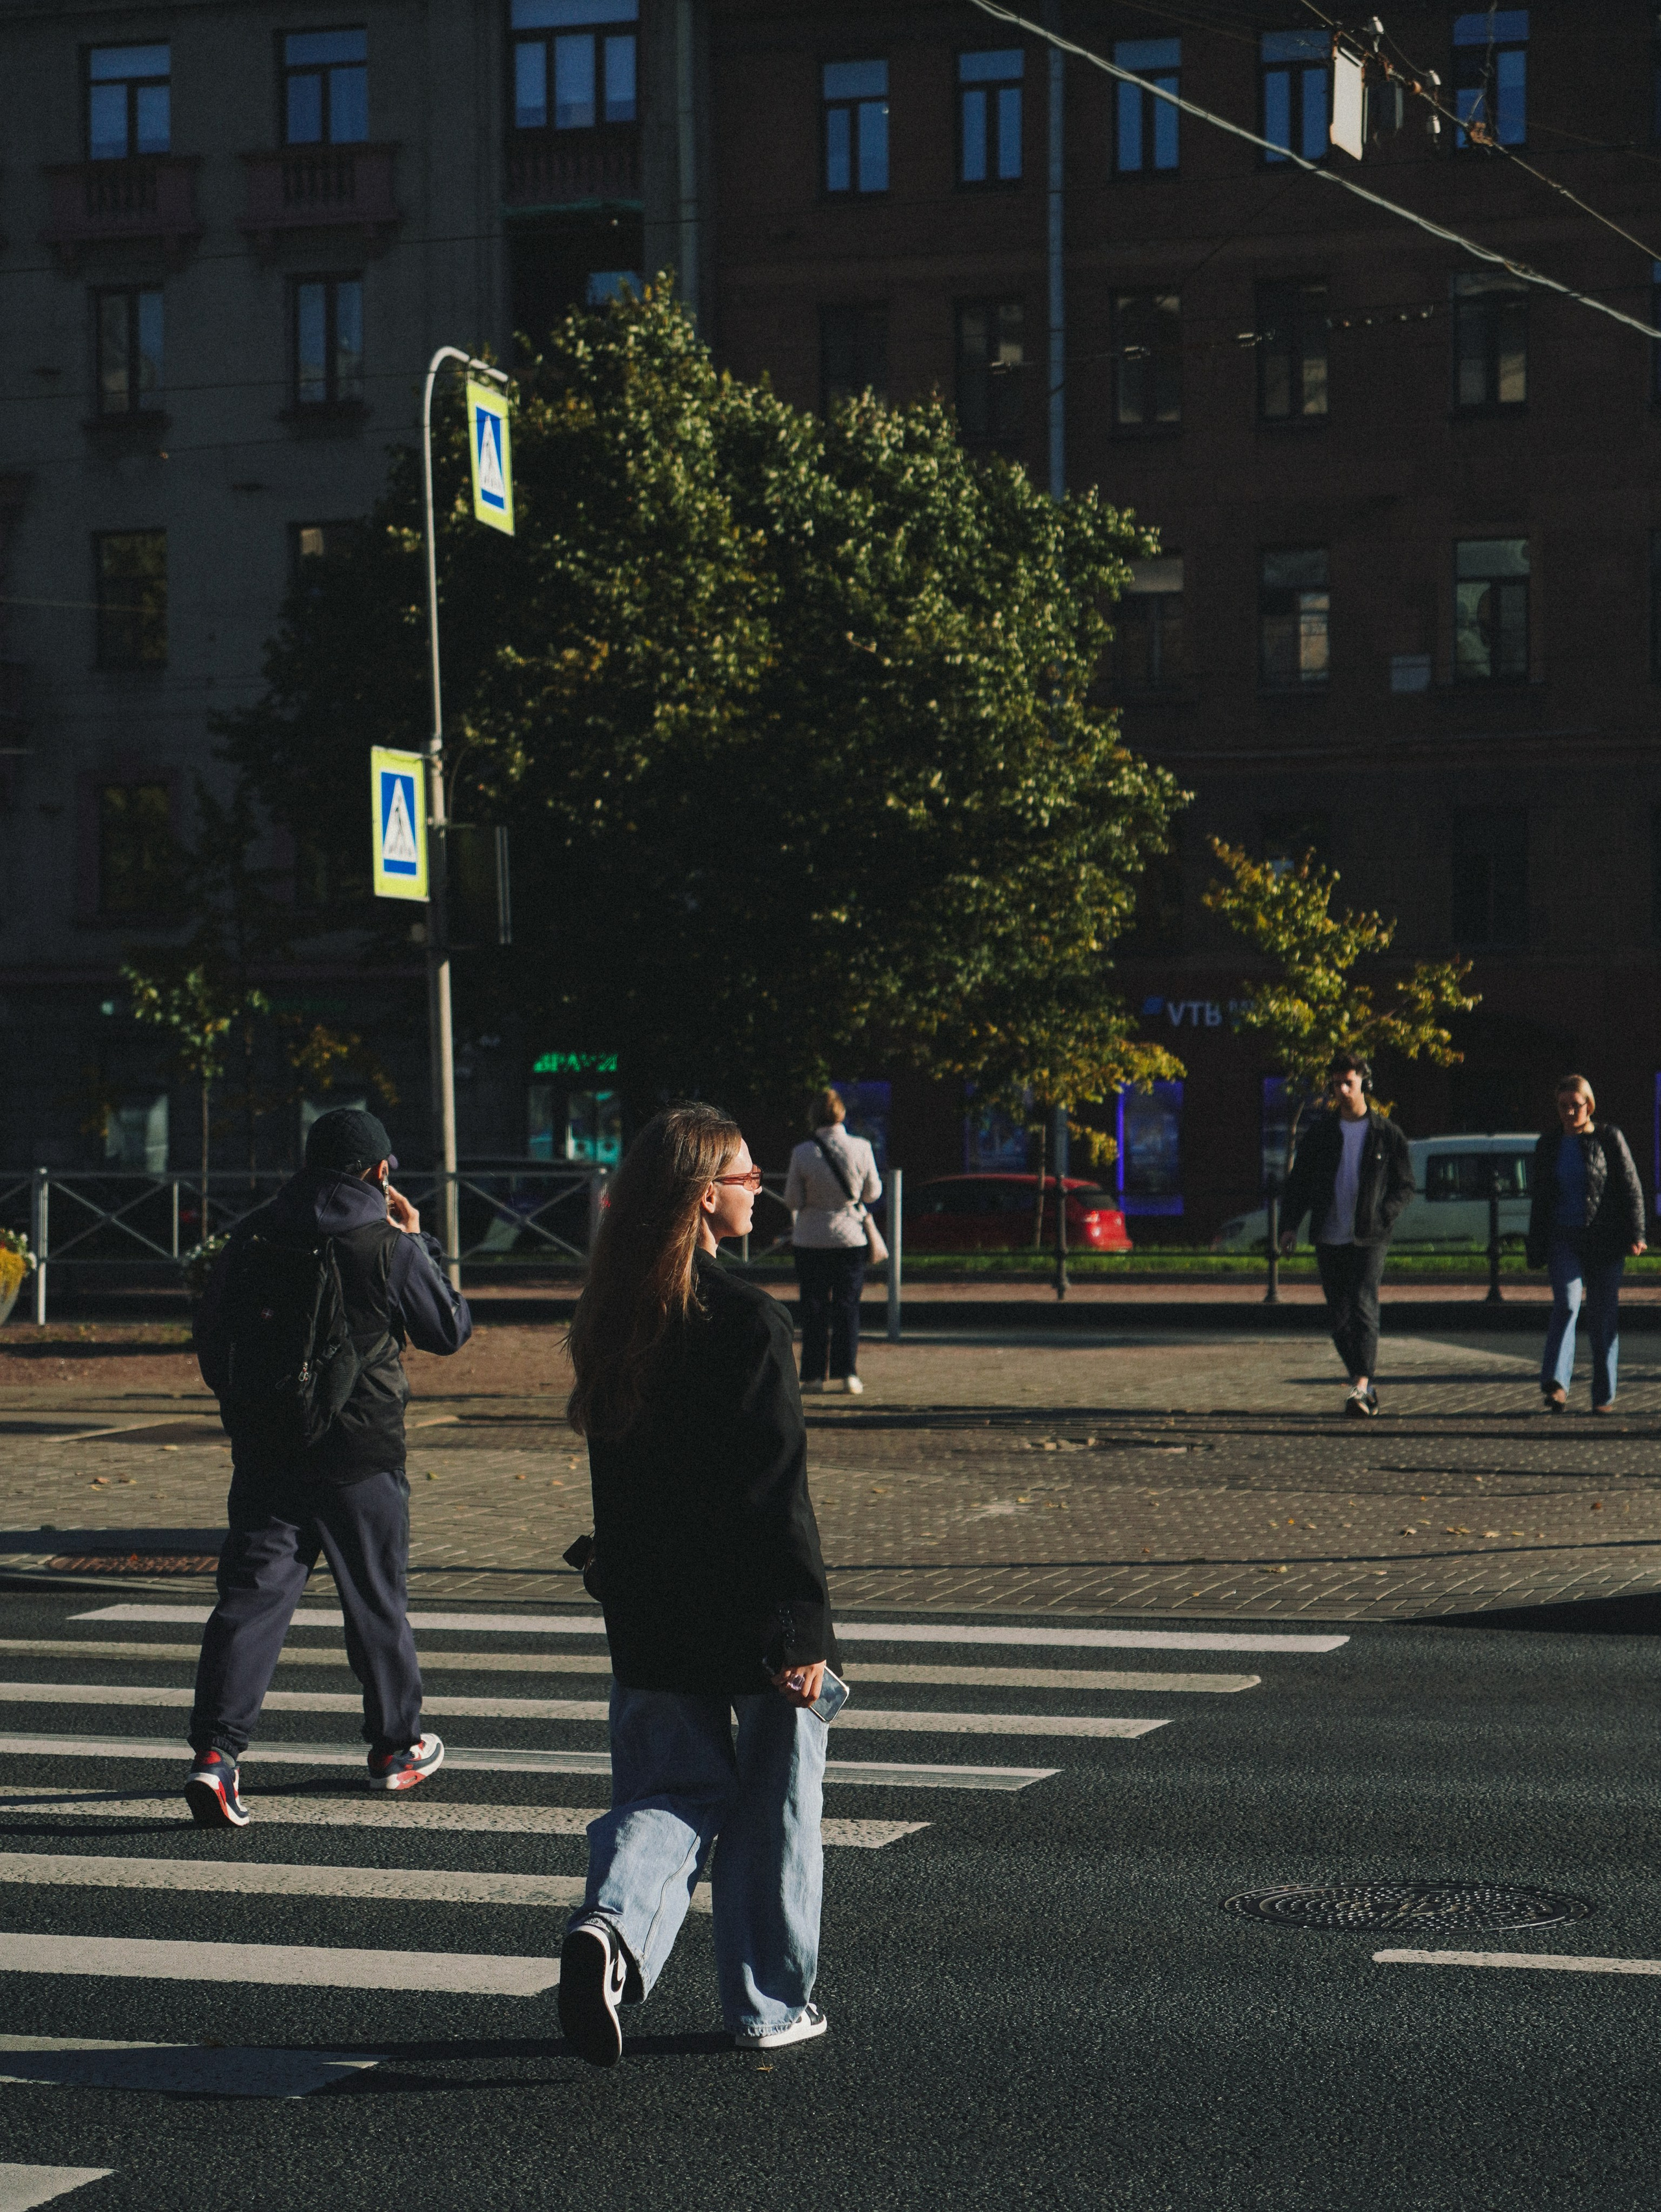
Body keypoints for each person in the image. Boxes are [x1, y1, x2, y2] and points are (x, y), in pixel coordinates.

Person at [559, 1101, 838, 2066]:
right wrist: (806, 1630)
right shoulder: (752, 1321)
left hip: (646, 1598)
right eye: (746, 1175)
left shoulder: (610, 1315)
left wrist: (611, 1564)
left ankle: (610, 1931)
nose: (759, 1189)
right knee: (775, 1806)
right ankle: (766, 2002)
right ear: (701, 1195)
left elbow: (619, 1472)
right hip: (751, 1607)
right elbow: (774, 1489)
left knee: (670, 1788)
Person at [184, 1107, 472, 1827]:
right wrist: (418, 1240)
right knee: (375, 1599)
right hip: (360, 1452)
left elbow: (211, 1334)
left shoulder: (254, 1231)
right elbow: (447, 1330)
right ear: (377, 1171)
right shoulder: (385, 1243)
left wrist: (248, 1408)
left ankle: (216, 1757)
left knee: (250, 1600)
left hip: (267, 1449)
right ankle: (394, 1748)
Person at [1279, 1052, 1416, 1417]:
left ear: (1364, 1084)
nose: (1341, 1090)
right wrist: (1290, 1225)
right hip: (1329, 1233)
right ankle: (1363, 1382)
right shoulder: (1322, 1133)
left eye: (1349, 1083)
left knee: (1362, 1303)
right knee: (1338, 1315)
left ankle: (1360, 1383)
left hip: (1369, 1236)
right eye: (1336, 1083)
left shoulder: (1386, 1134)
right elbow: (1299, 1184)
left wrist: (1384, 1215)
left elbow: (1405, 1186)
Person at [1527, 1074, 1645, 1415]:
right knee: (1566, 1304)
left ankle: (1603, 1396)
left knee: (1603, 1316)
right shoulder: (1548, 1144)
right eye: (1562, 1106)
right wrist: (1535, 1245)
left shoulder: (1610, 1138)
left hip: (1604, 1239)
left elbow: (1630, 1185)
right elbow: (1540, 1199)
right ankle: (1557, 1384)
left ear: (1589, 1106)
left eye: (1575, 1106)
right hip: (1563, 1238)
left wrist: (1637, 1233)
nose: (1568, 1112)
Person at [782, 1087, 882, 1396]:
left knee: (812, 1309)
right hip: (850, 1238)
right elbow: (872, 1193)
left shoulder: (802, 1152)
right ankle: (847, 1374)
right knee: (847, 1306)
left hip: (810, 1239)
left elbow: (792, 1199)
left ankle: (812, 1376)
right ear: (842, 1115)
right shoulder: (862, 1147)